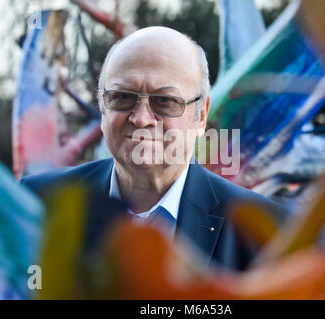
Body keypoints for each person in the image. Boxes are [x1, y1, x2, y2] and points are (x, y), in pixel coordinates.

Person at [21, 26, 286, 271]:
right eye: (122, 96)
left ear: (201, 116)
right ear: (102, 106)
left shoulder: (265, 232)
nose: (141, 118)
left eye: (165, 101)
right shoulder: (37, 203)